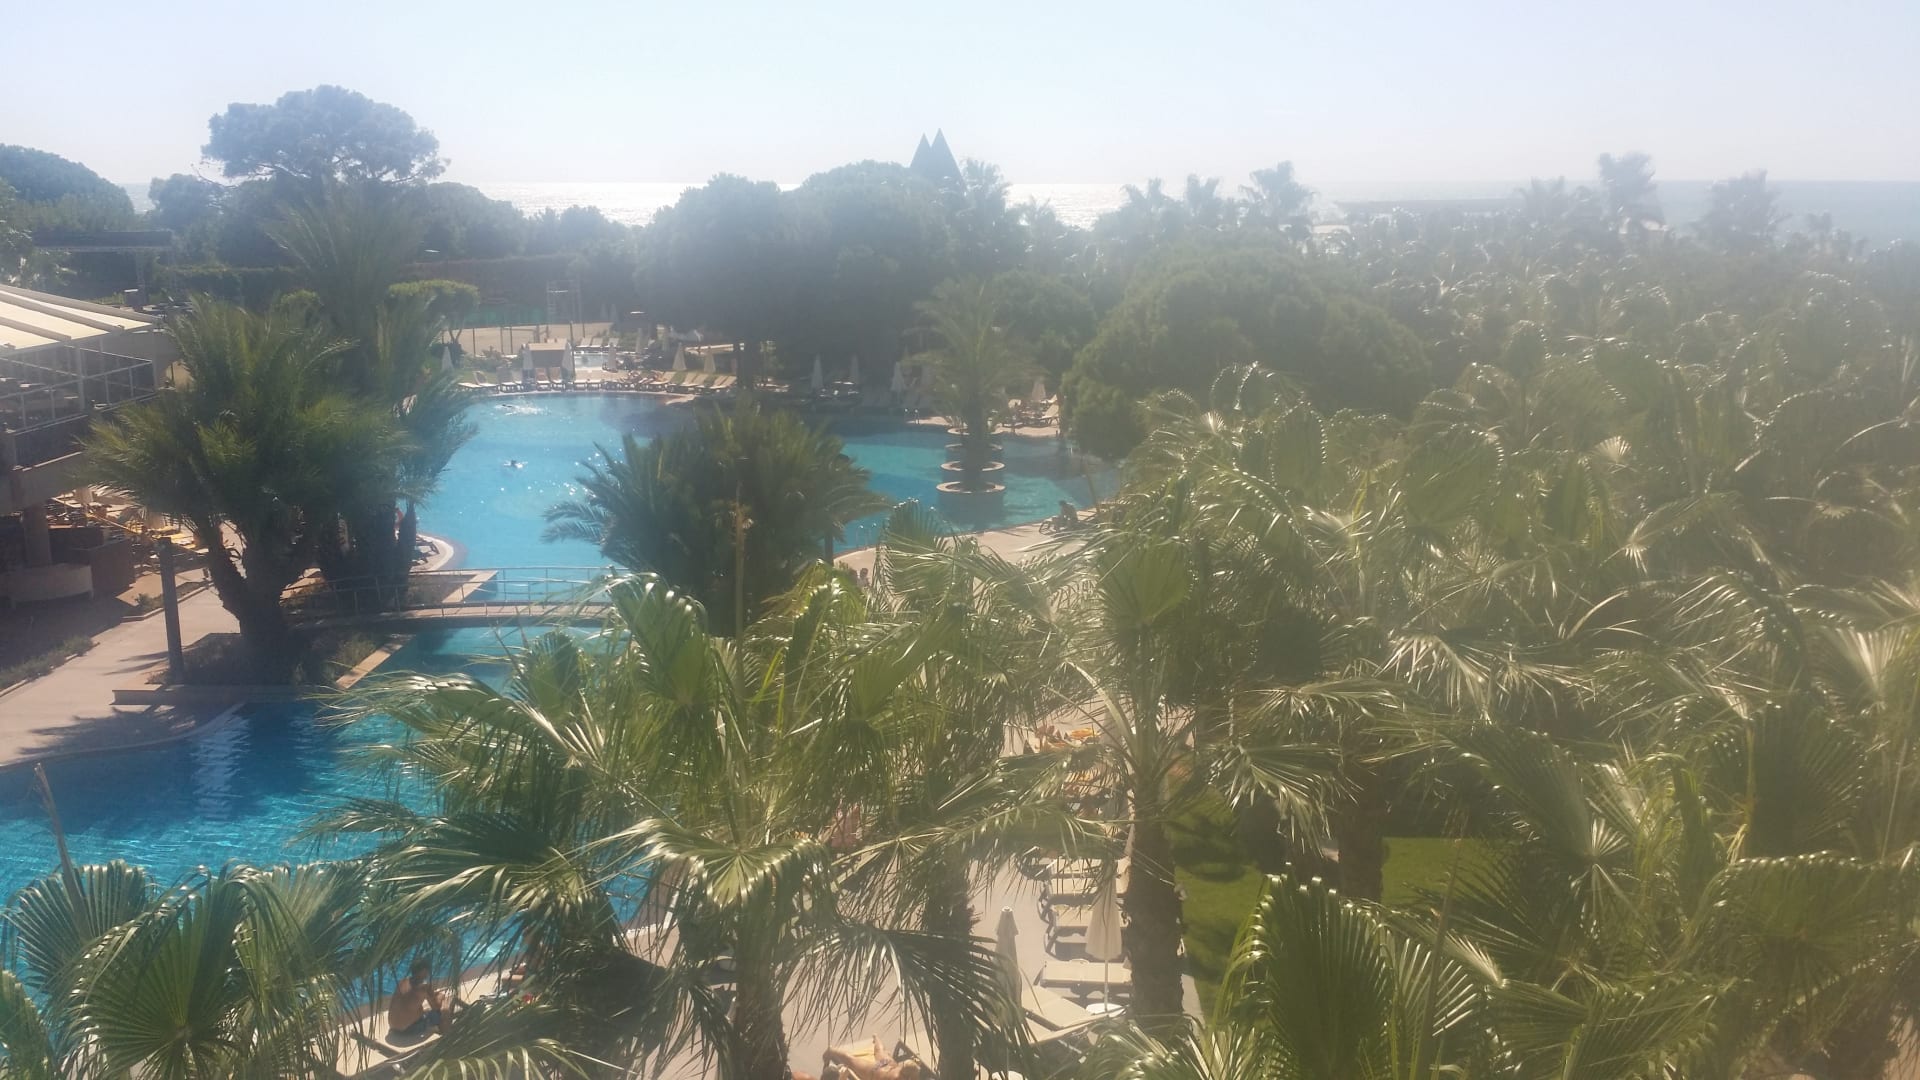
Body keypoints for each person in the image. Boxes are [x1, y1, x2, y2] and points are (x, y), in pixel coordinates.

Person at [386, 958, 449, 1040]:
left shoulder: (402, 982)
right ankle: (446, 1036)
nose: (428, 973)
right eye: (427, 970)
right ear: (423, 971)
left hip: (393, 1028)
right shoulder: (424, 987)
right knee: (443, 1010)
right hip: (407, 1030)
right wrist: (441, 996)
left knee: (425, 1010)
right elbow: (436, 1006)